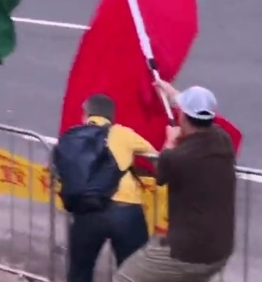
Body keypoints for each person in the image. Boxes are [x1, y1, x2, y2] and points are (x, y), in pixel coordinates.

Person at [113, 83, 235, 282]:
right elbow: (198, 114)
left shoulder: (178, 157)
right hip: (220, 248)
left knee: (125, 277)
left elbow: (160, 173)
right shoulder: (223, 140)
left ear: (183, 117)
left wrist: (169, 141)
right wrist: (170, 92)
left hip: (189, 251)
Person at [55, 94, 156, 282]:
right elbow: (154, 157)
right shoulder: (122, 133)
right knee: (132, 274)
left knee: (80, 271)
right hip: (125, 212)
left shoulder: (72, 136)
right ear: (112, 116)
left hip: (86, 211)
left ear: (85, 114)